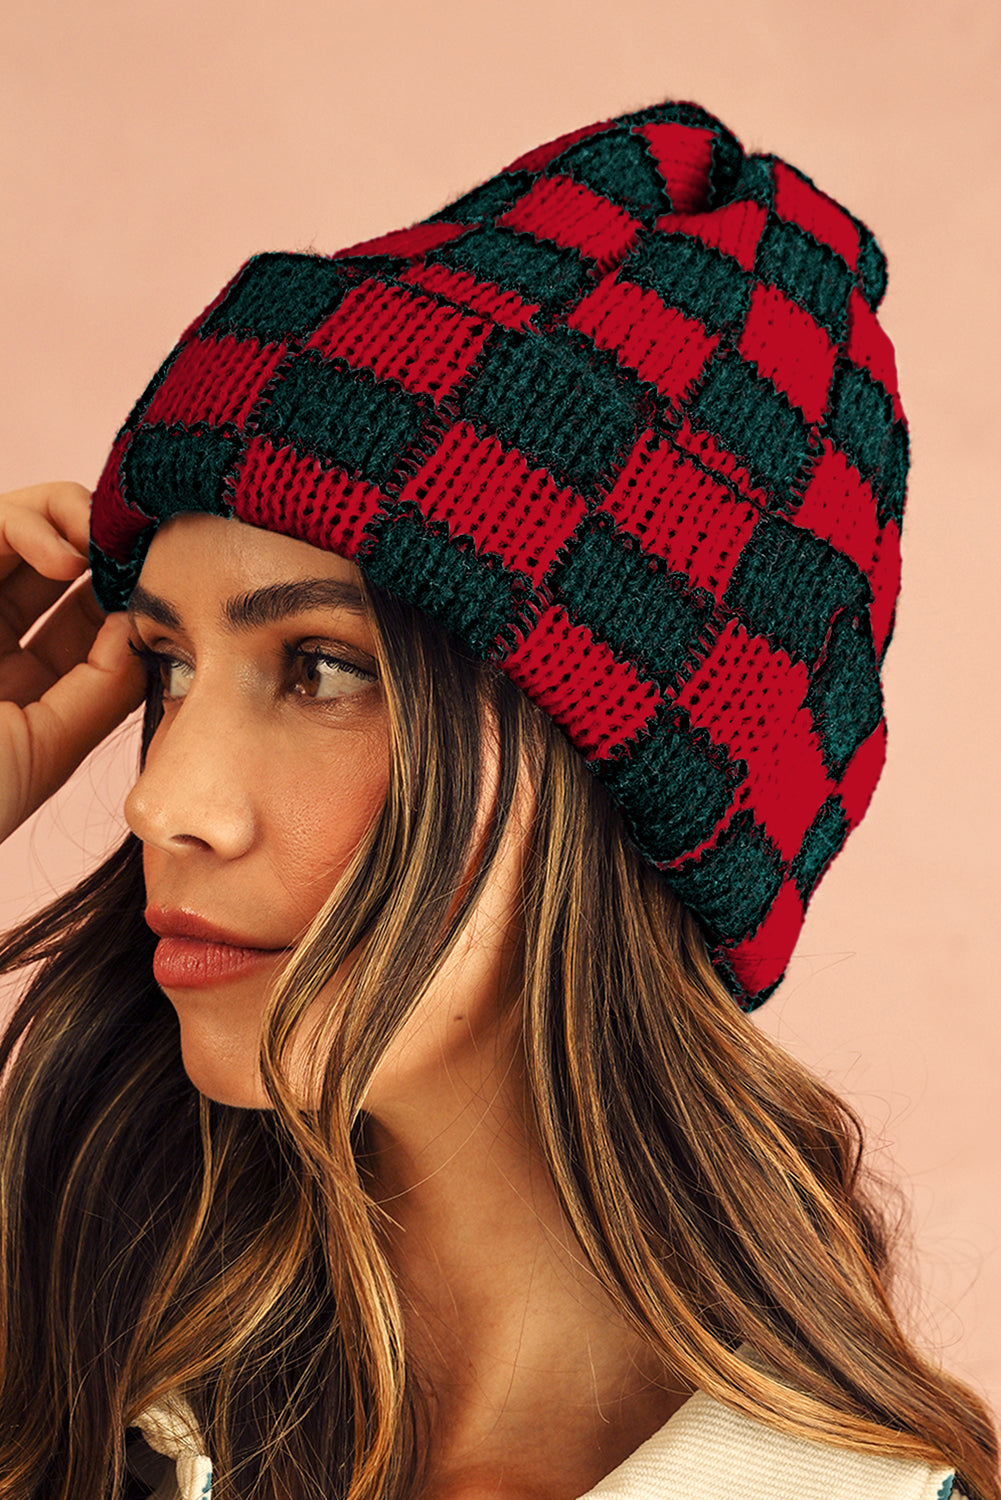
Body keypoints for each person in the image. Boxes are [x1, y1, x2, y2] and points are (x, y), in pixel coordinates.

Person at [0, 99, 995, 1500]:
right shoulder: (74, 1383)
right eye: (167, 664)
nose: (164, 803)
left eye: (324, 669)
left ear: (623, 791)